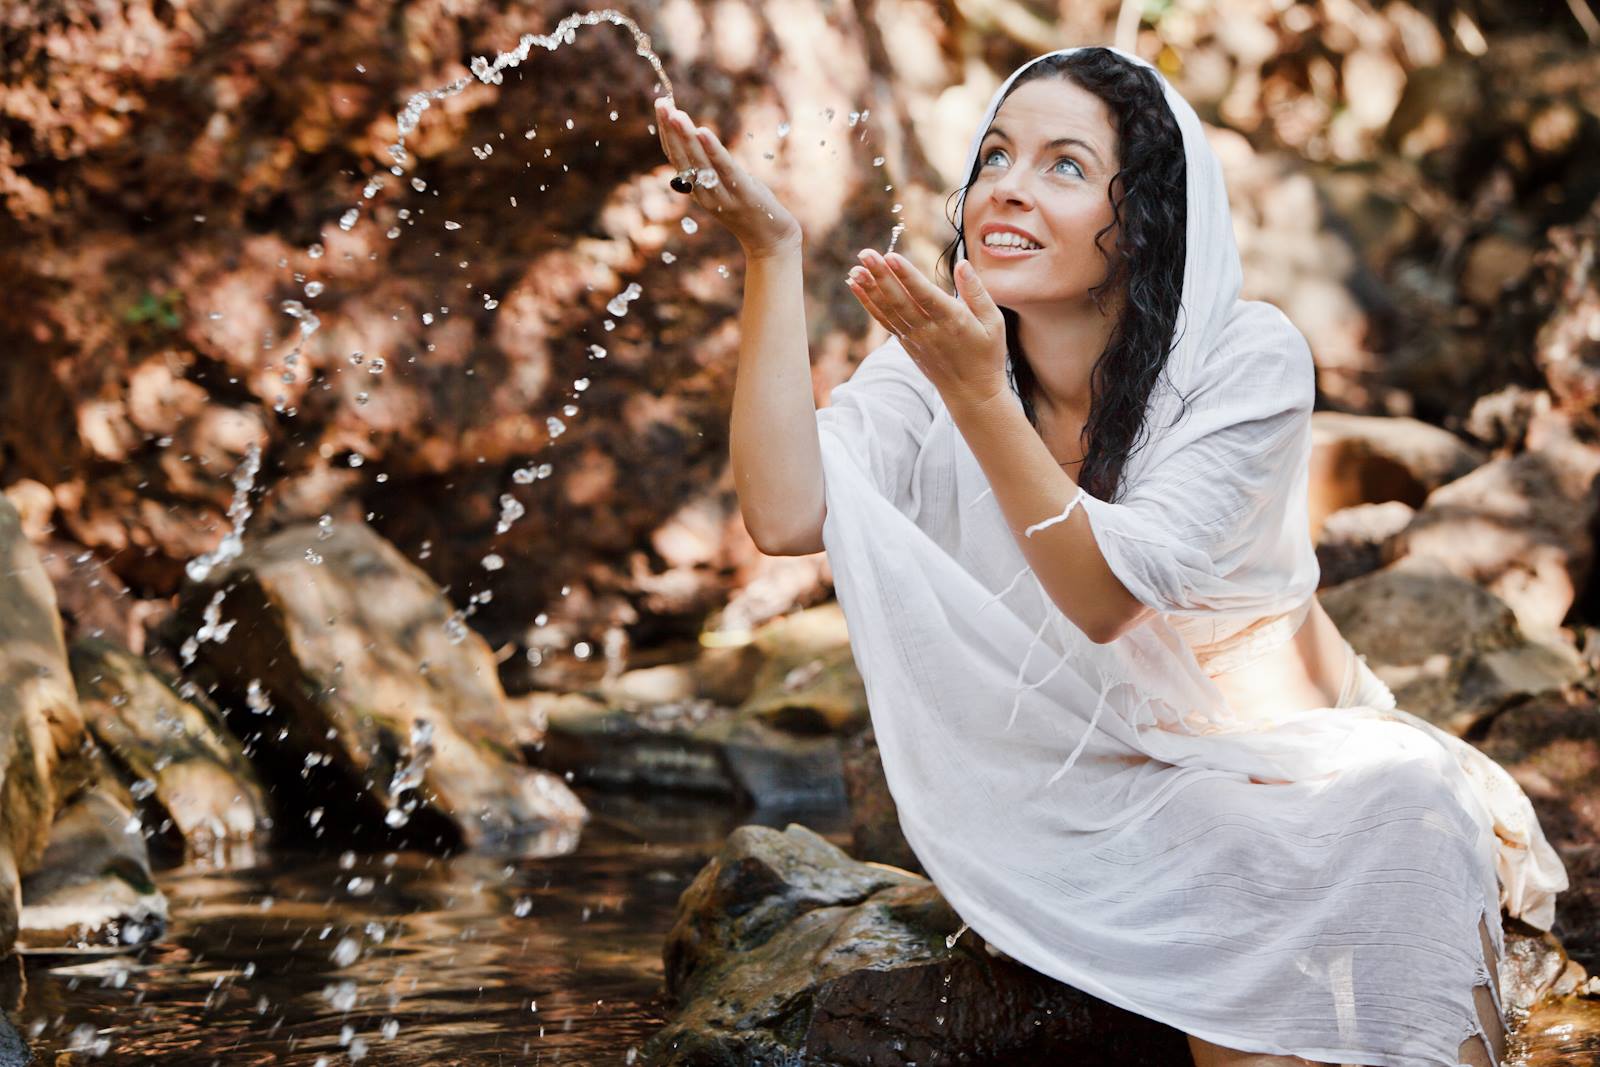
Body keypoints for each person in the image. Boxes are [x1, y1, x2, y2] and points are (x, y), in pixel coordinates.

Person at [653, 44, 1568, 1067]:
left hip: (1273, 762)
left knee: (1388, 804)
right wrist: (771, 254)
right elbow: (783, 513)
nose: (1005, 186)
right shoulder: (944, 360)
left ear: (1139, 222)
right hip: (1066, 790)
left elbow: (1103, 595)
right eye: (994, 155)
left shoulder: (1239, 360)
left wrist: (977, 398)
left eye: (1064, 166)